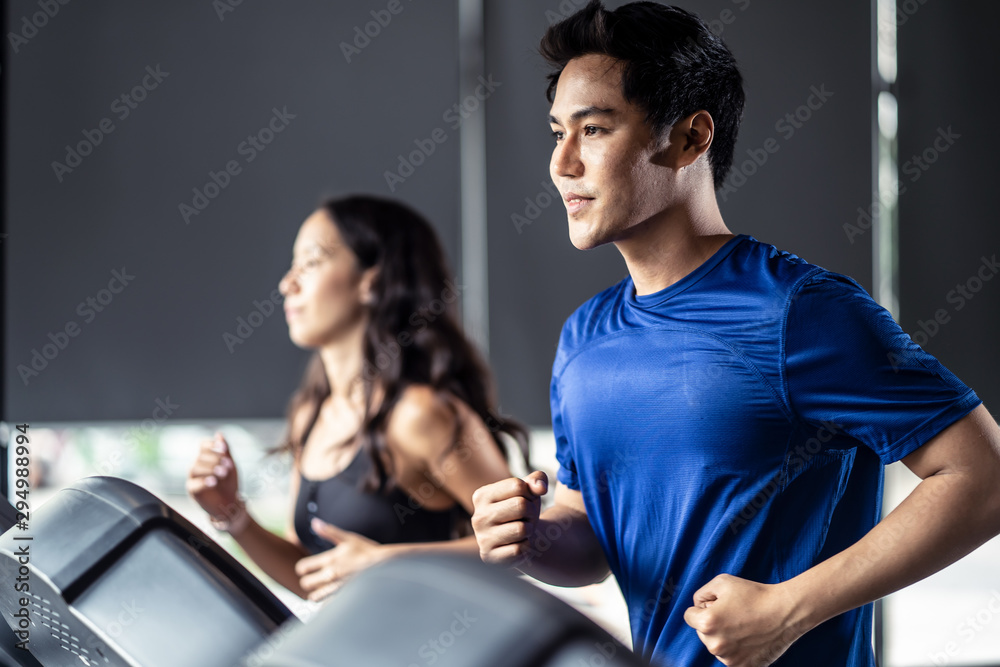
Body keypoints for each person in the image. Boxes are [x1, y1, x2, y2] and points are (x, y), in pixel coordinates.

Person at [470, 2, 1000, 666]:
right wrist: (532, 538)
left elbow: (983, 474)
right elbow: (594, 539)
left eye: (595, 130)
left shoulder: (802, 311)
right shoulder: (584, 337)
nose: (562, 163)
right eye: (557, 133)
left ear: (691, 138)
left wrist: (790, 609)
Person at [188, 195, 528, 602]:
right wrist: (232, 513)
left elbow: (522, 541)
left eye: (310, 262)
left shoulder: (420, 415)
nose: (287, 283)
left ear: (372, 280)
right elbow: (312, 576)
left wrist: (385, 562)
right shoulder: (310, 415)